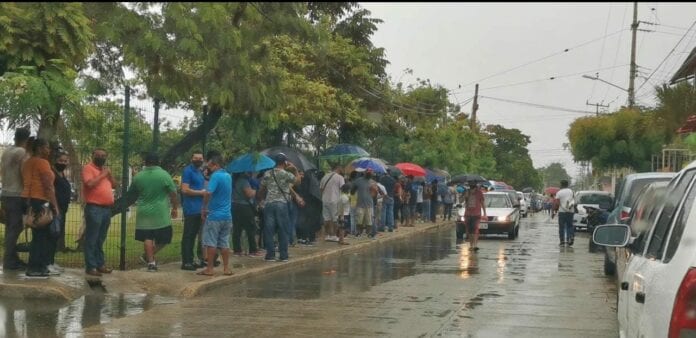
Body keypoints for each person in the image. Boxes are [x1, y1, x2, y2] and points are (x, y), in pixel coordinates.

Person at [127, 153, 179, 272]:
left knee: (147, 236)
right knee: (166, 237)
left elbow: (132, 193)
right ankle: (148, 255)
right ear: (158, 162)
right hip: (160, 212)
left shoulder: (138, 176)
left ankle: (151, 263)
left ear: (145, 162)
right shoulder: (164, 175)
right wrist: (175, 207)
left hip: (143, 211)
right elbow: (173, 193)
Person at [21, 138, 60, 277]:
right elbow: (48, 186)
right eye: (47, 147)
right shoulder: (42, 163)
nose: (49, 150)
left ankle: (39, 266)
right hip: (40, 200)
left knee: (38, 235)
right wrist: (55, 206)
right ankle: (36, 267)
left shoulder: (27, 163)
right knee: (42, 236)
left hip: (28, 200)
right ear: (40, 148)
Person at [82, 148, 116, 277]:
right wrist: (103, 175)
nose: (101, 157)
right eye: (99, 155)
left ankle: (100, 264)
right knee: (92, 238)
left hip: (106, 209)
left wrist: (109, 175)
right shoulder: (88, 168)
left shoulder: (105, 171)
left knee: (100, 238)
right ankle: (91, 266)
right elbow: (89, 184)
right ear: (93, 155)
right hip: (94, 208)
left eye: (104, 155)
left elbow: (115, 185)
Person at [259, 153, 299, 262]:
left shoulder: (267, 173)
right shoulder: (286, 174)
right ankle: (283, 255)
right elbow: (297, 181)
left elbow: (262, 188)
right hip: (282, 204)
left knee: (269, 230)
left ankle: (270, 255)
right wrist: (295, 170)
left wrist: (262, 200)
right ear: (285, 162)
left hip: (269, 203)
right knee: (283, 229)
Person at [198, 154, 233, 276]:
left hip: (215, 215)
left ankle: (210, 269)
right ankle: (226, 268)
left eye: (210, 166)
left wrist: (204, 208)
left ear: (216, 165)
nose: (208, 168)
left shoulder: (216, 176)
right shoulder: (228, 176)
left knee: (211, 242)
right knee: (224, 242)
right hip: (227, 215)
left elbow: (208, 192)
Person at [1, 128, 30, 271]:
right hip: (17, 194)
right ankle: (9, 260)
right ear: (27, 139)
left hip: (6, 192)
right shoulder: (22, 152)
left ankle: (12, 257)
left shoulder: (7, 151)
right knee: (16, 227)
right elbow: (24, 172)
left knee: (10, 227)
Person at [180, 151, 207, 270]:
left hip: (199, 209)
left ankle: (191, 259)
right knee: (188, 236)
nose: (198, 160)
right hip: (191, 208)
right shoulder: (188, 171)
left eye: (200, 158)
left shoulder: (200, 171)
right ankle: (186, 261)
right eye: (196, 158)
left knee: (194, 236)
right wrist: (201, 193)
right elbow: (185, 190)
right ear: (191, 159)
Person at [47, 151, 71, 275]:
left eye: (65, 161)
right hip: (54, 209)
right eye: (61, 161)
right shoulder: (52, 173)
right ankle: (47, 263)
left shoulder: (62, 174)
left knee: (56, 236)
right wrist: (55, 208)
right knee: (51, 235)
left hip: (63, 208)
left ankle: (51, 261)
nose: (63, 163)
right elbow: (50, 191)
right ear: (55, 161)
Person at [232, 172, 261, 257]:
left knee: (237, 229)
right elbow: (249, 194)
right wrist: (254, 191)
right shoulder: (243, 181)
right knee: (250, 228)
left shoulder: (235, 181)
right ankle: (253, 250)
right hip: (244, 206)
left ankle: (237, 250)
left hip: (235, 205)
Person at [319, 164, 345, 243]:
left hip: (325, 200)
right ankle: (334, 235)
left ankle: (328, 235)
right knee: (335, 219)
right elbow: (343, 189)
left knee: (327, 219)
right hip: (335, 200)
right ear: (338, 168)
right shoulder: (340, 177)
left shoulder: (325, 177)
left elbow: (321, 189)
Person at [351, 170, 378, 237]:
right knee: (359, 220)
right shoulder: (358, 181)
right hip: (360, 204)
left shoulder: (373, 182)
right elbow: (352, 191)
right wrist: (354, 190)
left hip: (369, 204)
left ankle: (368, 233)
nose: (370, 174)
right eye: (368, 173)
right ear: (365, 173)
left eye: (371, 173)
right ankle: (358, 232)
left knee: (369, 221)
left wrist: (375, 191)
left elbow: (375, 194)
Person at [463, 182, 487, 251]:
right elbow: (461, 201)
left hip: (476, 214)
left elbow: (482, 203)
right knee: (470, 231)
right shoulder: (466, 192)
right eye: (471, 186)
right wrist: (465, 196)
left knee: (475, 229)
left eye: (473, 186)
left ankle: (475, 245)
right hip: (468, 214)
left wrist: (485, 213)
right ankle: (471, 245)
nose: (472, 187)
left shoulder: (479, 193)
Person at [554, 180, 575, 246]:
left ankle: (562, 241)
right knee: (570, 225)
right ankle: (570, 237)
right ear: (567, 185)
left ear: (561, 185)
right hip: (570, 211)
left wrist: (555, 211)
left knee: (561, 227)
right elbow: (573, 200)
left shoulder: (559, 192)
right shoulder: (571, 191)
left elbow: (557, 203)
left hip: (562, 212)